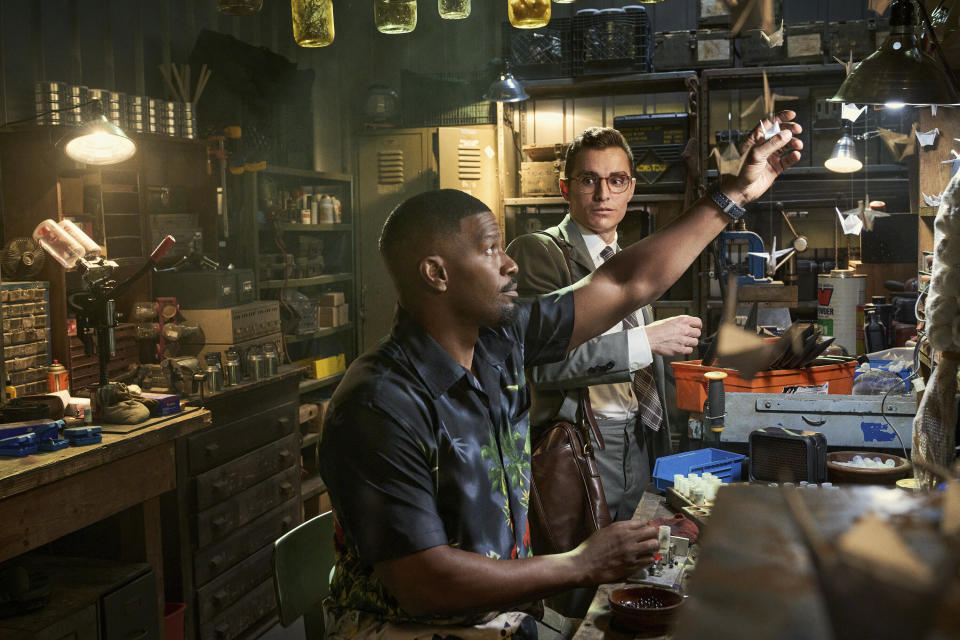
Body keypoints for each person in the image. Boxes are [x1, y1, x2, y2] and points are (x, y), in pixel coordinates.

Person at [318, 111, 802, 640]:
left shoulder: (499, 341)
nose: (511, 266)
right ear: (436, 273)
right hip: (401, 623)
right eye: (488, 250)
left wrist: (734, 193)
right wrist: (578, 563)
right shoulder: (379, 403)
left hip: (493, 611)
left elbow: (625, 282)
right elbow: (424, 582)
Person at [505, 126, 702, 616]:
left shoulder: (630, 260)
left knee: (632, 578)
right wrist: (646, 341)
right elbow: (541, 365)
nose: (602, 193)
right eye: (589, 180)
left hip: (639, 436)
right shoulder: (539, 252)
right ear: (564, 187)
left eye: (616, 180)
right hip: (580, 445)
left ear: (631, 188)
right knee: (579, 582)